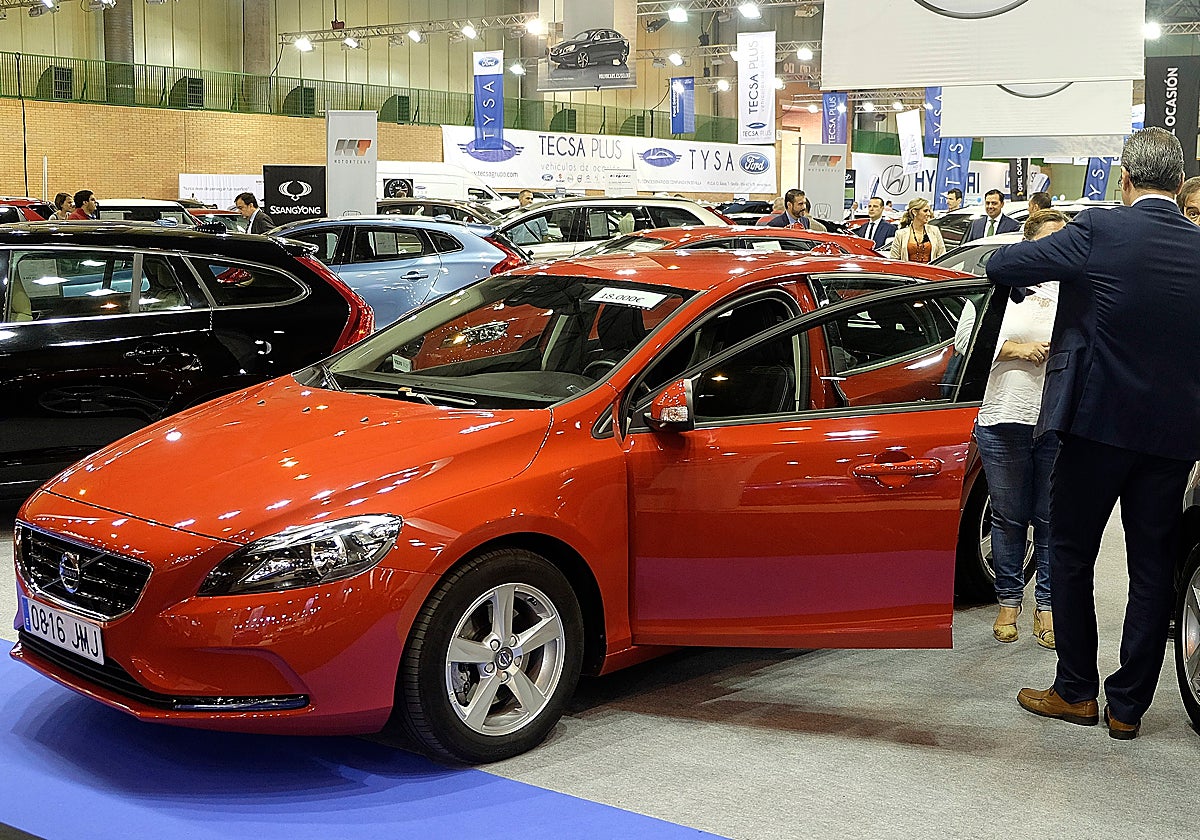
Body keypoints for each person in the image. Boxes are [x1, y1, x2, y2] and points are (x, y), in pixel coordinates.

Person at [987, 127, 1200, 740]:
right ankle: (1128, 708)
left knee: (1073, 556)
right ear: (1178, 181)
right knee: (1152, 568)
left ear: (1126, 179)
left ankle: (1076, 690)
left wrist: (1039, 282)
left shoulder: (1101, 231)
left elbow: (1005, 261)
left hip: (1095, 426)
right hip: (1173, 436)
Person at [955, 209, 1068, 647]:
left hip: (1053, 419)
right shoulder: (997, 290)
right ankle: (1007, 602)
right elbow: (967, 343)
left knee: (1050, 517)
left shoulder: (1076, 291)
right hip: (1002, 415)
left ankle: (1047, 607)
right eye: (1049, 240)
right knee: (1007, 516)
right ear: (1028, 244)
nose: (1057, 249)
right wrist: (1017, 349)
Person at [888, 197, 945, 262]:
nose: (929, 214)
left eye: (929, 211)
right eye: (925, 211)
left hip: (930, 271)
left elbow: (941, 256)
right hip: (908, 271)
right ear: (914, 212)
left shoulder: (934, 231)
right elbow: (894, 259)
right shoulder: (900, 234)